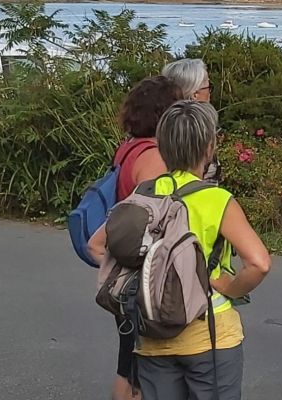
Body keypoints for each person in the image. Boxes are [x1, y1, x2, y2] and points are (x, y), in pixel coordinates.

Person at [88, 101, 272, 400]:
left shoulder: (144, 193)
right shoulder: (216, 199)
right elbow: (259, 263)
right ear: (209, 146)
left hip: (151, 332)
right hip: (210, 332)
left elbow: (96, 245)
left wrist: (147, 277)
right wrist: (230, 287)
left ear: (162, 147)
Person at [104, 76, 184, 400]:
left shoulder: (128, 147)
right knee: (137, 366)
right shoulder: (152, 156)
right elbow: (155, 214)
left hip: (124, 267)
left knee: (128, 360)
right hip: (141, 272)